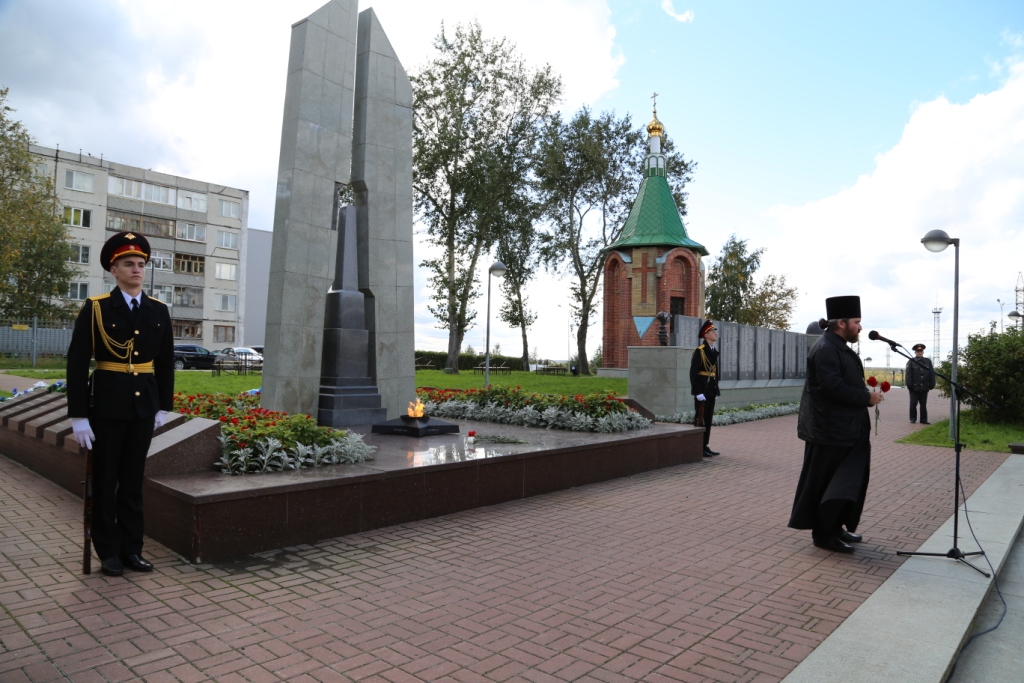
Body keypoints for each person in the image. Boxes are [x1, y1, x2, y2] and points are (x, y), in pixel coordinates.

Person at [66, 231, 174, 577]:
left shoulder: (158, 310)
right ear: (114, 270)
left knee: (132, 481)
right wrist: (78, 415)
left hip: (143, 408)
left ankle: (132, 550)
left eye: (141, 263)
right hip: (107, 407)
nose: (137, 269)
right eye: (128, 264)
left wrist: (163, 406)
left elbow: (166, 363)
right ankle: (108, 551)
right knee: (105, 480)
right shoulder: (97, 307)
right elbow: (77, 362)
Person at [789, 296, 884, 554]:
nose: (860, 327)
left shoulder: (837, 345)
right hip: (829, 432)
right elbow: (832, 388)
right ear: (841, 323)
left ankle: (836, 526)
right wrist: (866, 398)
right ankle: (823, 535)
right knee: (828, 484)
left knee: (845, 482)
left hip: (844, 430)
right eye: (857, 322)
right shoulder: (825, 349)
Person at [690, 320, 721, 457]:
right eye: (713, 331)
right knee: (700, 418)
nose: (715, 334)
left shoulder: (713, 350)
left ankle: (705, 444)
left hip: (711, 390)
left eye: (715, 331)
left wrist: (716, 389)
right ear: (706, 334)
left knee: (708, 419)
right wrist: (698, 392)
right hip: (702, 390)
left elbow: (715, 373)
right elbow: (693, 374)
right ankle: (698, 446)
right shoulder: (700, 351)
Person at [905, 343, 935, 424]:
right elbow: (908, 375)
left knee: (923, 405)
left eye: (921, 351)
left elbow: (931, 373)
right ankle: (913, 418)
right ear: (915, 352)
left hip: (924, 387)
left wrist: (932, 384)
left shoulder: (927, 361)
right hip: (914, 387)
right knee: (913, 404)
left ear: (923, 352)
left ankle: (923, 419)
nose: (919, 352)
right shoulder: (911, 361)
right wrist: (910, 386)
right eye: (918, 351)